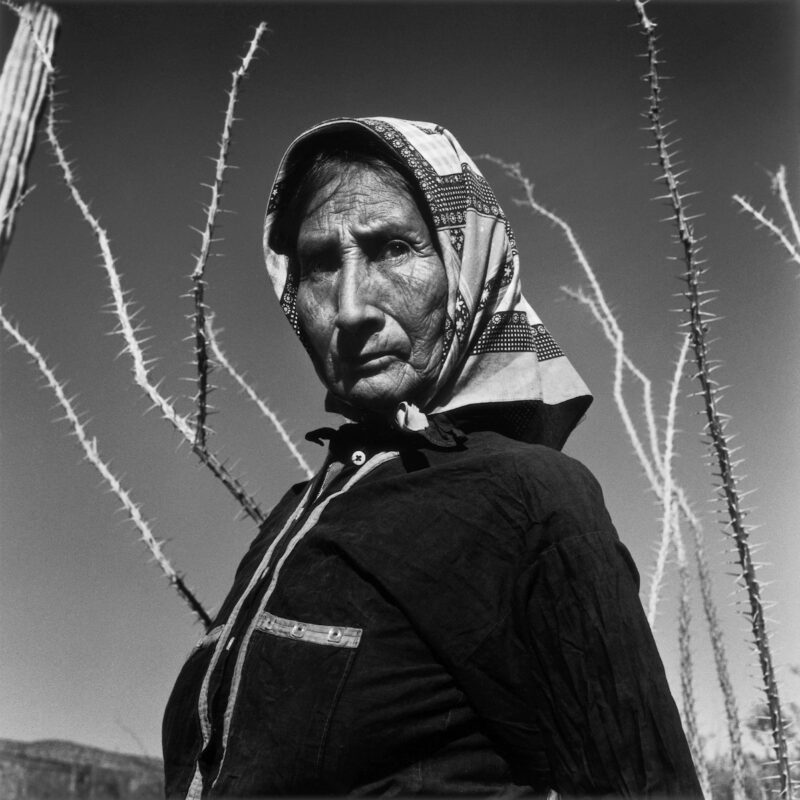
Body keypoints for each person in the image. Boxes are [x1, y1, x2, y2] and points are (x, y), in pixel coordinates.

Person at [162, 117, 702, 798]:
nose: (351, 307)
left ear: (465, 266)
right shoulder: (297, 517)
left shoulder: (531, 501)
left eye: (392, 248)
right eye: (320, 264)